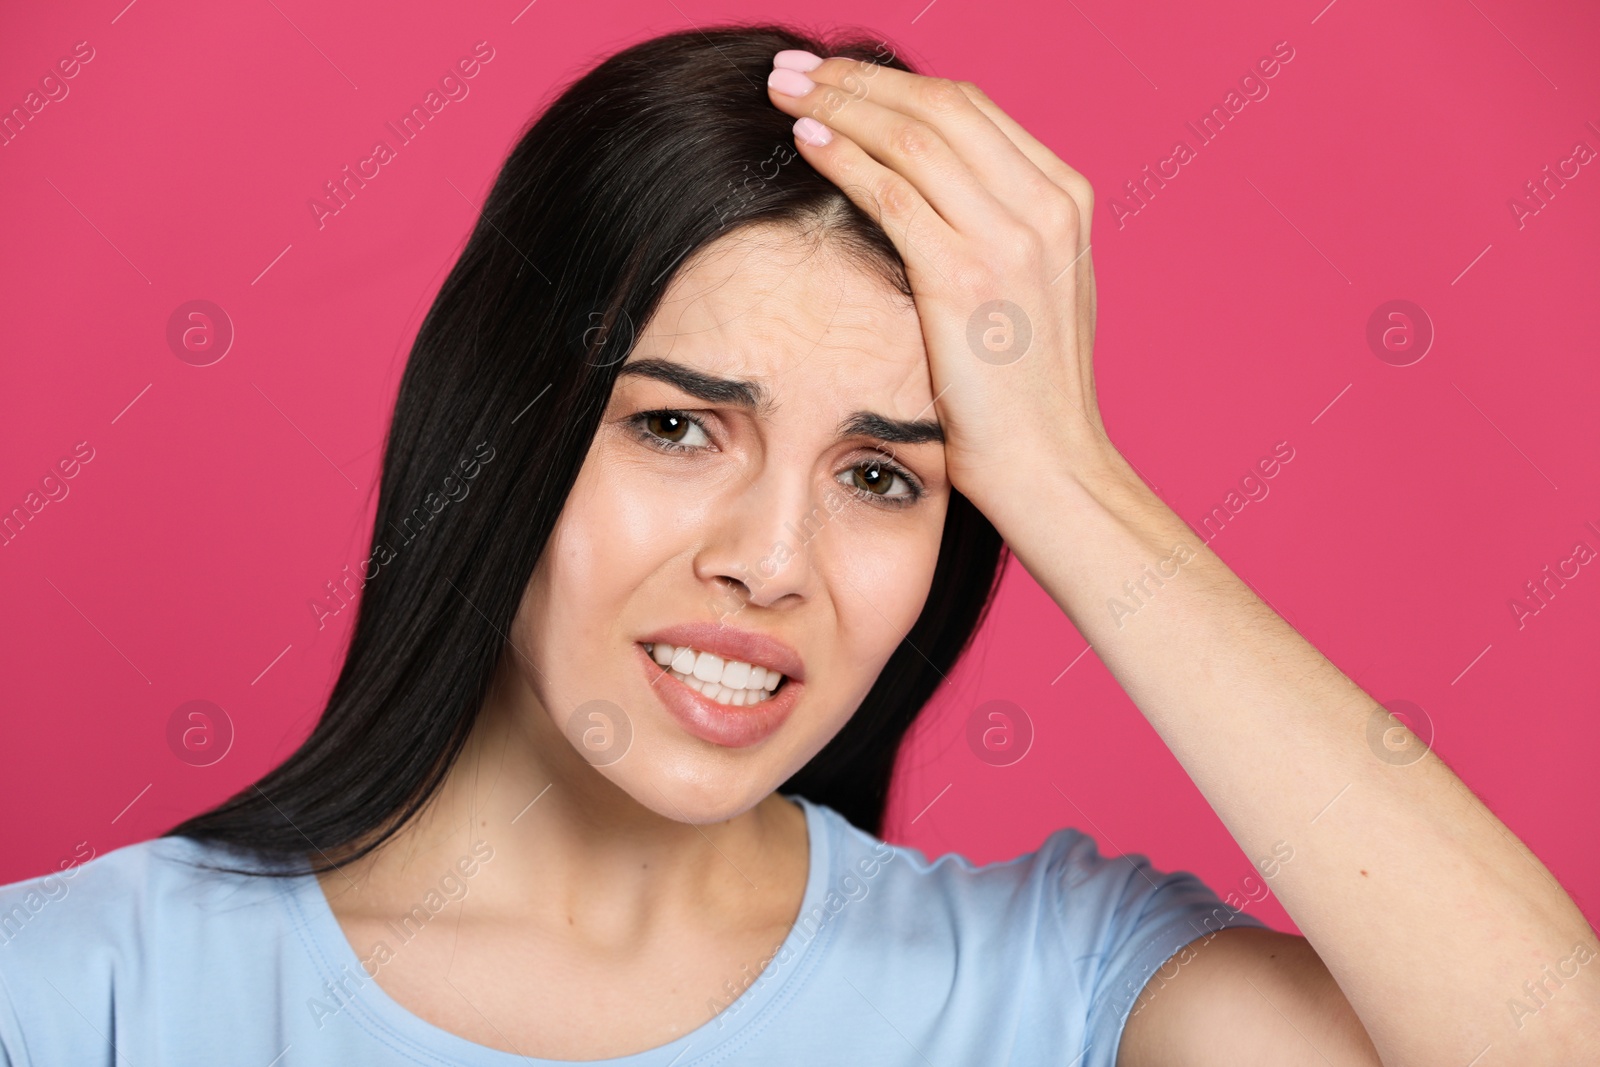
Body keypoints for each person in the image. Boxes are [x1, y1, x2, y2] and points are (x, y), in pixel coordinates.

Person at [1, 24, 1594, 1067]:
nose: (774, 563)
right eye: (678, 426)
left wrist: (1065, 475)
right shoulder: (88, 992)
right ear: (499, 434)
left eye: (882, 478)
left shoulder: (1046, 994)